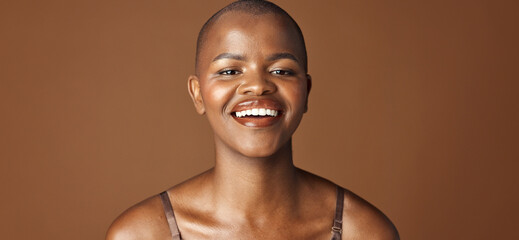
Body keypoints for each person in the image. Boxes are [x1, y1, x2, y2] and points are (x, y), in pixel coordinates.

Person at [106, 0, 399, 239]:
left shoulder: (364, 232)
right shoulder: (141, 234)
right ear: (197, 94)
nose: (257, 85)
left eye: (282, 71)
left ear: (306, 92)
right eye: (230, 71)